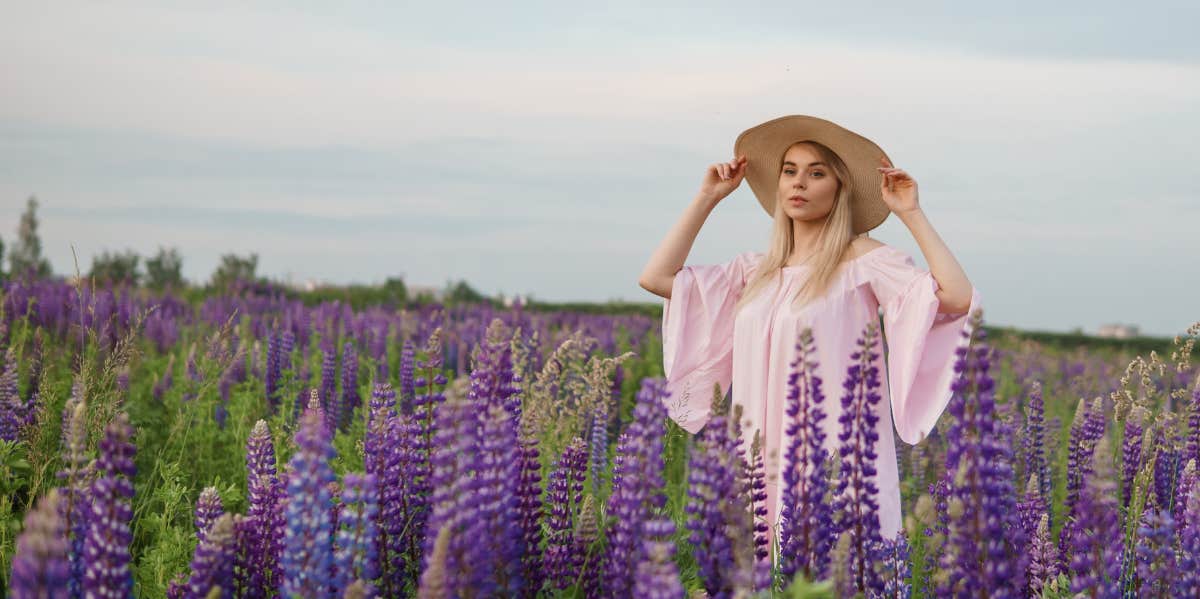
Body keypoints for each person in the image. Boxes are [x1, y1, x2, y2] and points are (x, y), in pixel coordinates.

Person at [637, 114, 982, 547]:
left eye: (816, 173)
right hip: (757, 459)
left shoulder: (864, 261)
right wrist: (707, 197)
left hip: (833, 458)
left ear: (839, 188)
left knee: (832, 568)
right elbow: (657, 278)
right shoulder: (755, 271)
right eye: (789, 171)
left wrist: (911, 214)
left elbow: (956, 298)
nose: (799, 183)